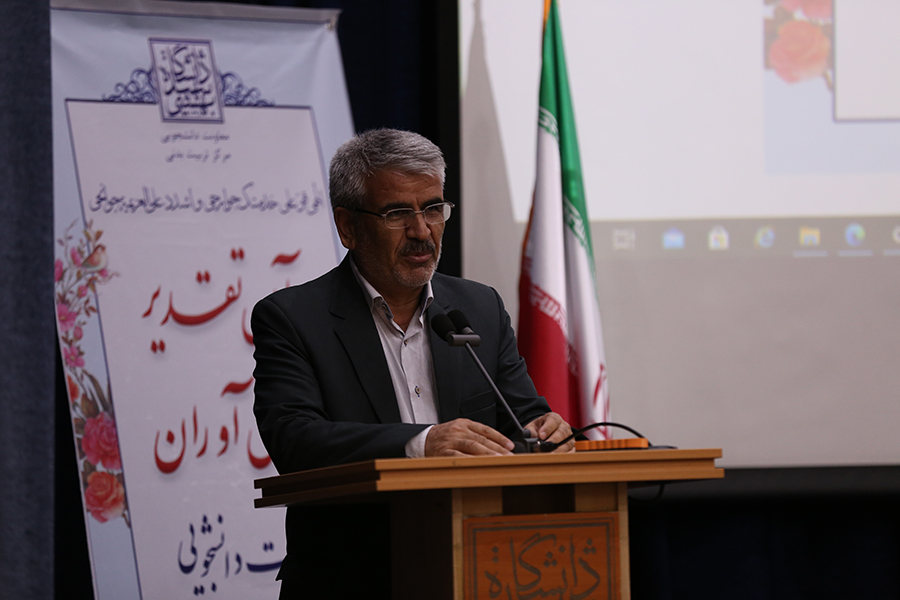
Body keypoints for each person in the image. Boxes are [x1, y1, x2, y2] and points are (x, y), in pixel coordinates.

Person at [251, 128, 573, 598]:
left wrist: (545, 431)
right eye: (397, 214)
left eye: (433, 209)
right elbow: (295, 440)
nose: (422, 231)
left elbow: (521, 416)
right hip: (351, 579)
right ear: (347, 226)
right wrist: (421, 444)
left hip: (482, 568)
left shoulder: (479, 307)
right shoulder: (294, 319)